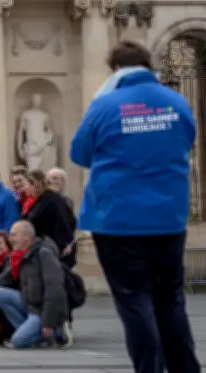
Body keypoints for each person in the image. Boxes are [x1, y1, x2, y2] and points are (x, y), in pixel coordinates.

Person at [70, 40, 200, 373]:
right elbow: (187, 139)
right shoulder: (177, 102)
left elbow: (79, 154)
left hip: (118, 220)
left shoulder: (105, 104)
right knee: (171, 300)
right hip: (167, 219)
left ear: (115, 70)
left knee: (134, 301)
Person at [0, 221, 72, 349]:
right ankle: (32, 336)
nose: (10, 239)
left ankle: (56, 331)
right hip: (30, 305)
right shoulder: (20, 256)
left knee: (17, 341)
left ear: (26, 237)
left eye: (14, 235)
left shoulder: (44, 253)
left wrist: (48, 322)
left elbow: (54, 290)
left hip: (43, 310)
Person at [23, 170, 77, 268]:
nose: (24, 188)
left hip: (55, 253)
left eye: (26, 184)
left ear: (34, 184)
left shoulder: (48, 201)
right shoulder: (47, 199)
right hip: (53, 250)